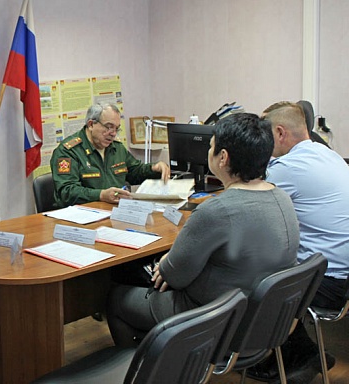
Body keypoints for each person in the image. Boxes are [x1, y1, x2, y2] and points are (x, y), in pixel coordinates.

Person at [106, 113, 300, 346]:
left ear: (223, 158)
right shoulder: (283, 197)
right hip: (265, 319)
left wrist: (168, 261)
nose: (208, 152)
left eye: (210, 146)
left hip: (213, 318)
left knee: (117, 298)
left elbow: (175, 276)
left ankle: (155, 363)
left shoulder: (216, 210)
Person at [249, 101, 349, 384]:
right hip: (342, 277)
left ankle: (285, 357)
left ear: (280, 133)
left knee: (249, 273)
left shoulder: (287, 168)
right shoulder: (327, 155)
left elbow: (247, 208)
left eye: (265, 135)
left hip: (327, 282)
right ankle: (304, 353)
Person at [50, 103, 170, 208]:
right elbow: (66, 192)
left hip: (114, 212)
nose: (113, 134)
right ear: (91, 125)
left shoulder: (116, 148)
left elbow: (134, 171)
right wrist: (101, 195)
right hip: (79, 217)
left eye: (116, 129)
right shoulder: (68, 151)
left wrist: (154, 168)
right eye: (108, 127)